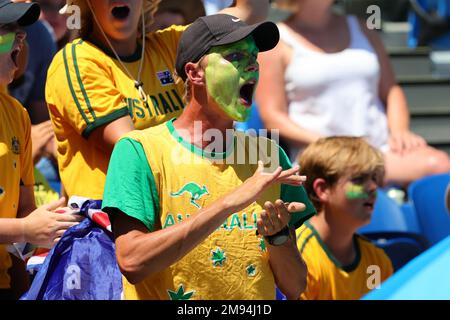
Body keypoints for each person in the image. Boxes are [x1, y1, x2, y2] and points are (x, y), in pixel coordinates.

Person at [102, 14, 316, 300]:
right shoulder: (139, 150)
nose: (252, 65)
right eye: (236, 56)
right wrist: (229, 203)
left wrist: (278, 237)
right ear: (195, 73)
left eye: (254, 57)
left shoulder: (268, 155)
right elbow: (132, 262)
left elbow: (295, 285)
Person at [46, 0, 270, 200]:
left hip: (179, 205)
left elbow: (252, 10)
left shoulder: (169, 44)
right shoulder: (78, 61)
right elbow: (132, 149)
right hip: (110, 223)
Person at [256, 0, 450, 185]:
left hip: (380, 149)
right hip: (324, 154)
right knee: (435, 166)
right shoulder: (276, 42)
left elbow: (391, 90)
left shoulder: (363, 28)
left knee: (440, 165)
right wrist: (332, 144)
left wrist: (400, 130)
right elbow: (273, 117)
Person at [0, 0, 81, 300]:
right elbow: (22, 224)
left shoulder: (16, 113)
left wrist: (55, 221)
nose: (21, 37)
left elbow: (24, 208)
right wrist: (24, 228)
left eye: (20, 31)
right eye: (7, 31)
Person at [296, 136, 394, 300]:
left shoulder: (376, 262)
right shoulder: (299, 257)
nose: (373, 187)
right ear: (323, 189)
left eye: (374, 178)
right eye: (359, 179)